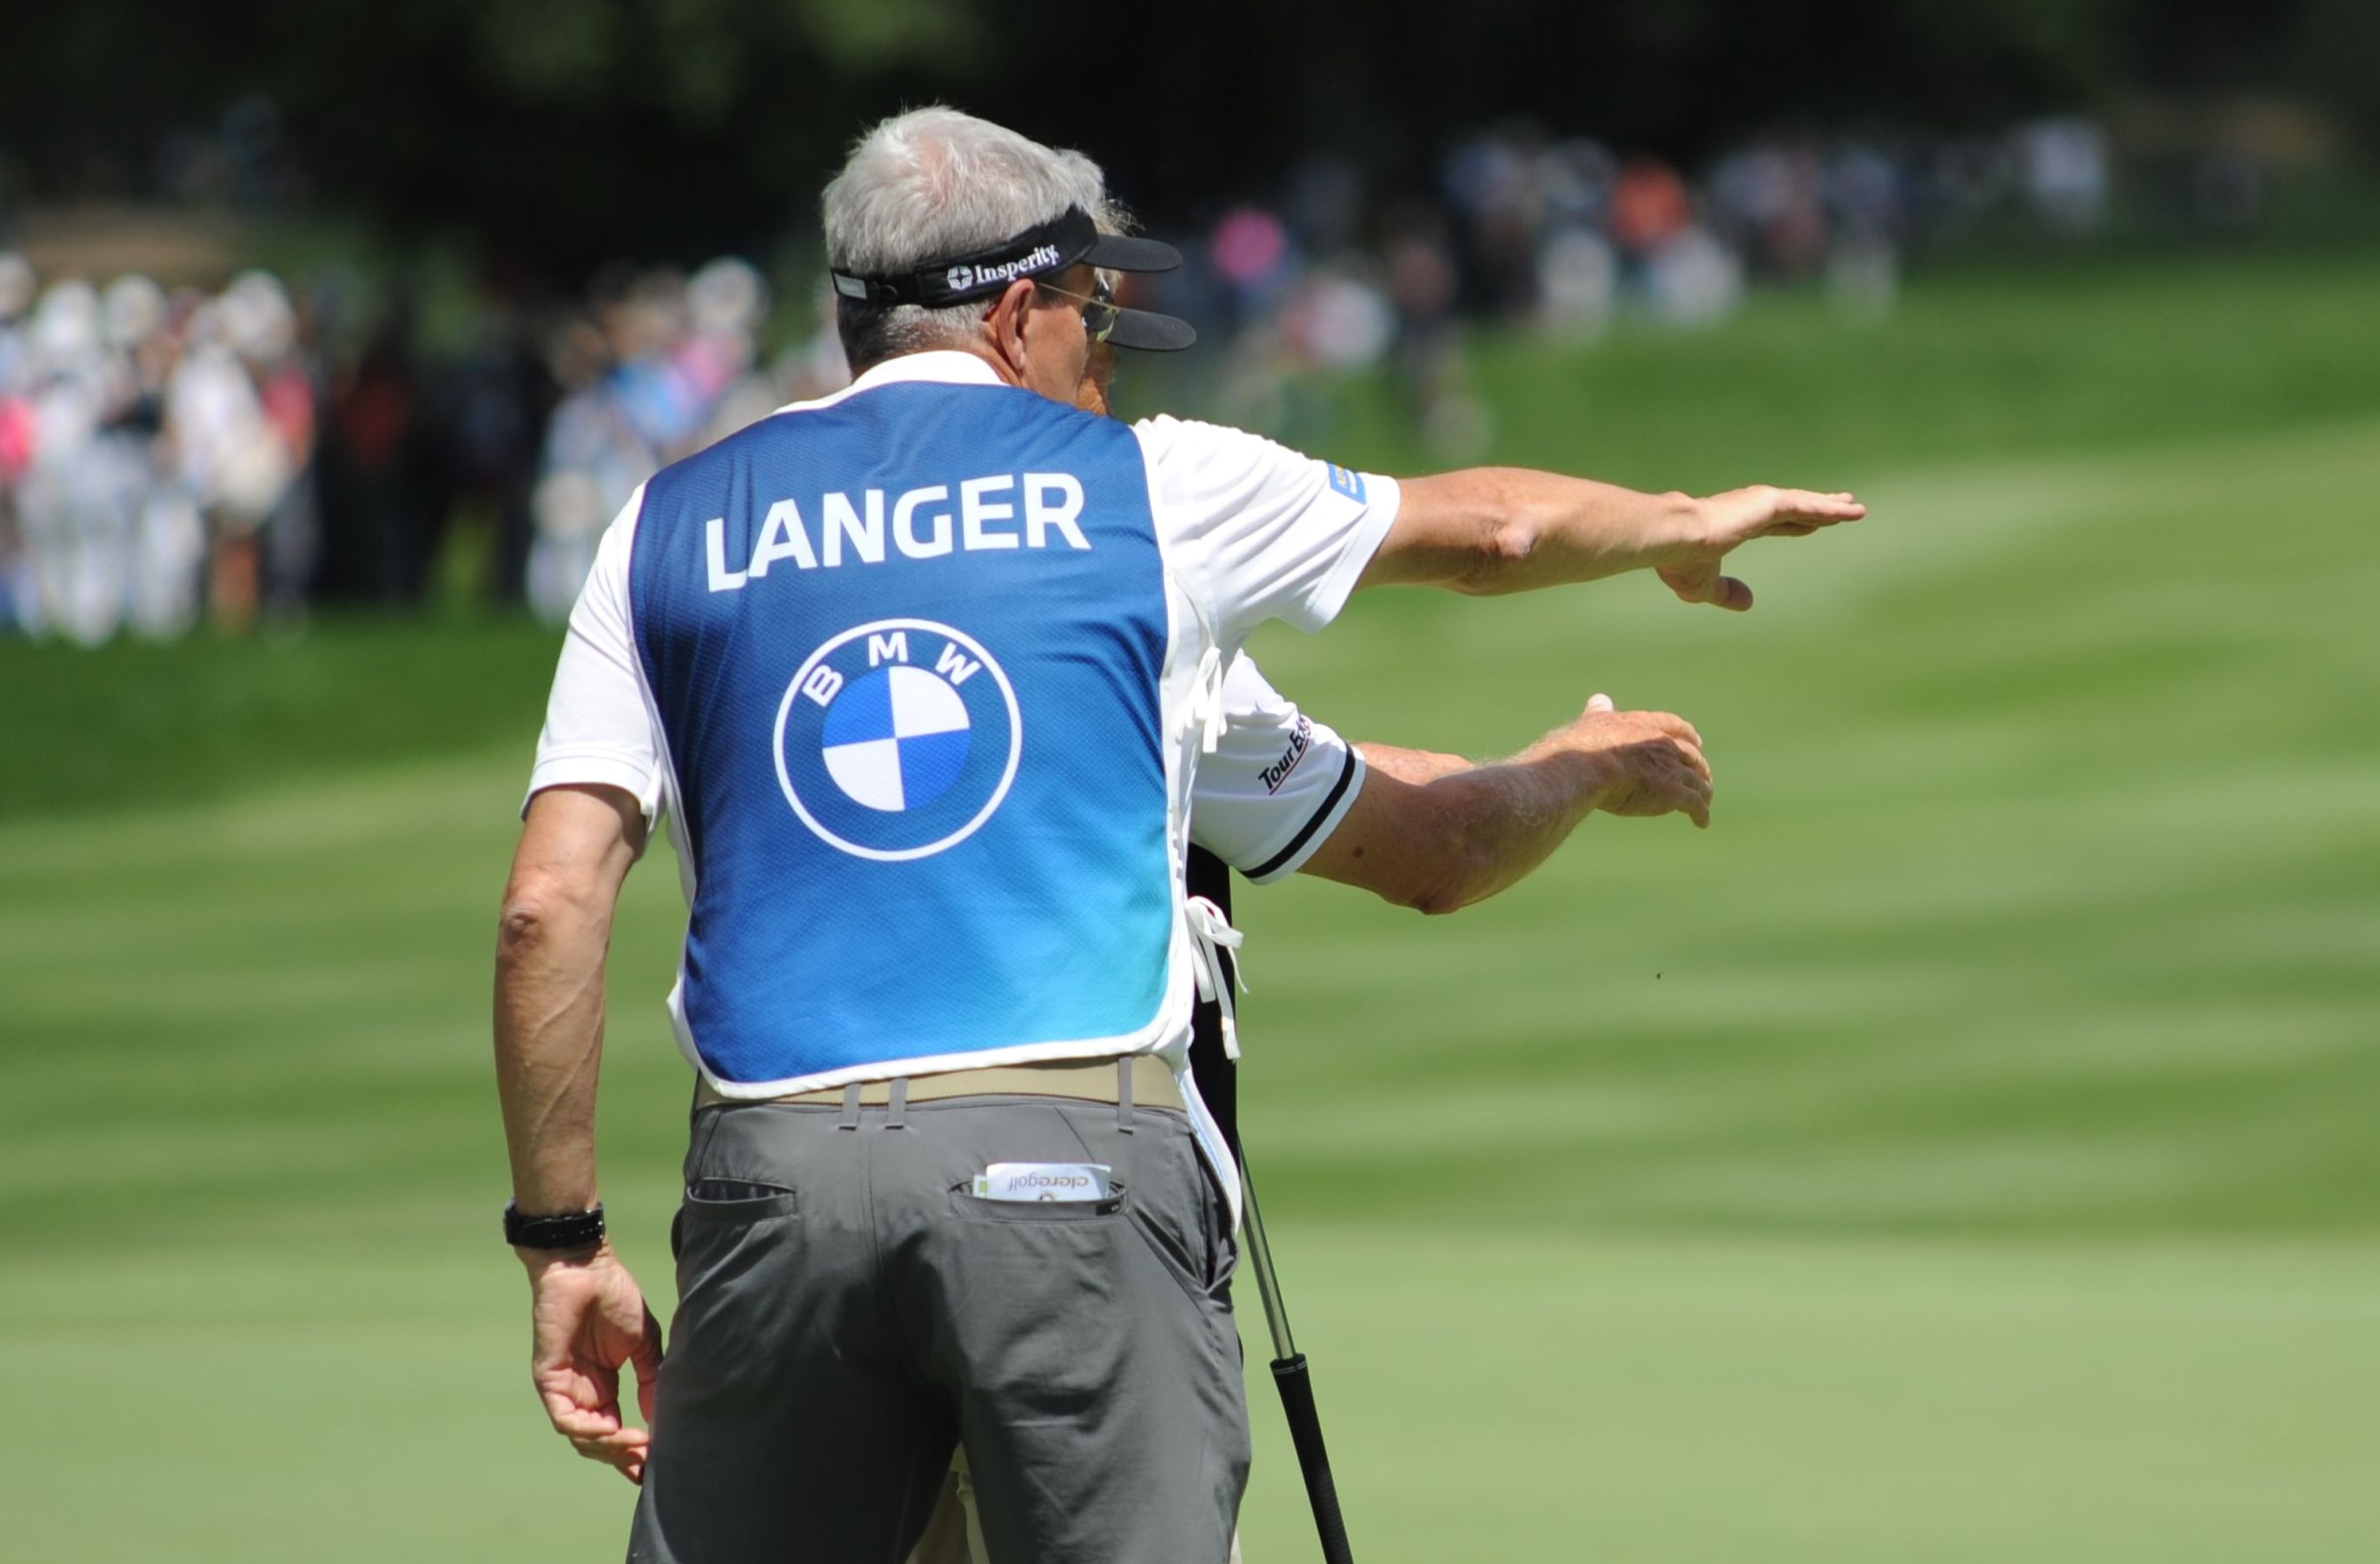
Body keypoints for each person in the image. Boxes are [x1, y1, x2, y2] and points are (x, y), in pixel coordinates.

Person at [492, 106, 1863, 1564]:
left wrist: (562, 1242)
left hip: (769, 1192)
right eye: (1095, 315)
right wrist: (1672, 538)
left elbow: (547, 908)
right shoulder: (1150, 498)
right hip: (1072, 1187)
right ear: (1018, 314)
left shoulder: (664, 523)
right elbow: (1492, 548)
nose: (1102, 361)